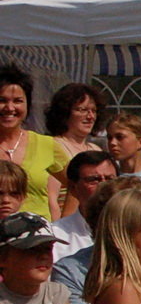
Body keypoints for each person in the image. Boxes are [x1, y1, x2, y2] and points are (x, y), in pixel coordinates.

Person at [0, 65, 69, 219]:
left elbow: (78, 184)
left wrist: (66, 225)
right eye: (2, 100)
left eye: (18, 101)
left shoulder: (46, 144)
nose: (9, 108)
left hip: (37, 238)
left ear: (28, 105)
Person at [51, 150, 116, 262]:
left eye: (109, 179)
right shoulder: (55, 236)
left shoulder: (136, 231)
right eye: (94, 180)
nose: (104, 185)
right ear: (73, 188)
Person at [44, 82, 108, 182]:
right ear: (65, 112)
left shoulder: (96, 149)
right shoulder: (52, 146)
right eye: (83, 110)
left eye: (94, 111)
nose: (90, 116)